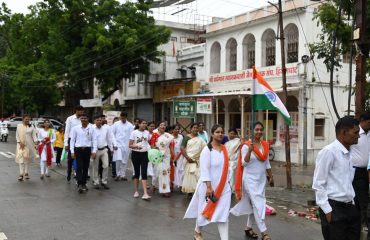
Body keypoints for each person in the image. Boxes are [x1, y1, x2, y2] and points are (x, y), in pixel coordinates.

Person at [312, 116, 361, 240]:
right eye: (355, 132)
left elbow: (347, 182)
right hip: (334, 209)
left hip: (350, 208)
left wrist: (353, 204)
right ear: (344, 132)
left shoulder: (350, 153)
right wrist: (328, 211)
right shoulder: (328, 152)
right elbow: (318, 184)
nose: (358, 136)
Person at [184, 124, 231, 240]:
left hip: (224, 188)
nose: (220, 134)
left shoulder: (225, 149)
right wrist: (209, 188)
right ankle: (198, 231)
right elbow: (204, 170)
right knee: (204, 210)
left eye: (222, 132)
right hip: (208, 187)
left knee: (223, 214)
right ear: (212, 134)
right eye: (217, 132)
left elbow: (227, 168)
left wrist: (229, 183)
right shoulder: (207, 150)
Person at [230, 121, 273, 240]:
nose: (259, 131)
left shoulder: (265, 145)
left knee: (254, 205)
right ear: (252, 131)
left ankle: (248, 227)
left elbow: (266, 162)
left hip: (261, 180)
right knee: (258, 204)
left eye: (260, 129)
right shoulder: (246, 145)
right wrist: (249, 150)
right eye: (256, 129)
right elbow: (244, 162)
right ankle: (264, 233)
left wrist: (271, 176)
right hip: (249, 180)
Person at [350, 112, 370, 231]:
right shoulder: (355, 134)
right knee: (359, 197)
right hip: (355, 170)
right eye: (369, 122)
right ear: (362, 120)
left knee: (364, 196)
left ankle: (362, 221)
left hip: (366, 170)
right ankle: (362, 222)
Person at [70, 114, 97, 193]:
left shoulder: (92, 129)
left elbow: (94, 140)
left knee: (86, 167)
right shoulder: (75, 128)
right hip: (78, 150)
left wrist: (94, 151)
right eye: (82, 118)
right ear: (80, 119)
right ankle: (79, 183)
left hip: (87, 150)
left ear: (88, 119)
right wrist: (72, 151)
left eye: (85, 118)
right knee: (79, 167)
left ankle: (84, 183)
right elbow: (72, 140)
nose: (84, 119)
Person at [181, 123, 207, 195]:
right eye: (194, 128)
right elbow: (182, 147)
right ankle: (189, 191)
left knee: (197, 175)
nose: (195, 129)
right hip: (189, 159)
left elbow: (205, 148)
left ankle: (196, 191)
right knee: (190, 175)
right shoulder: (187, 137)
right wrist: (187, 157)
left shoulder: (200, 138)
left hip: (198, 160)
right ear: (191, 129)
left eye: (197, 128)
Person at [129, 119, 151, 200]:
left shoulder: (147, 133)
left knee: (144, 172)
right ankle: (136, 191)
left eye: (145, 123)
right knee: (137, 172)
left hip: (145, 154)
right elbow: (130, 145)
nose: (144, 125)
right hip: (135, 154)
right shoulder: (134, 132)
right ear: (139, 124)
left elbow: (148, 143)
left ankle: (145, 193)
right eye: (143, 123)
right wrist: (136, 146)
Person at [151, 121, 174, 197]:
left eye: (164, 125)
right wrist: (158, 152)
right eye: (161, 125)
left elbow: (171, 146)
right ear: (158, 126)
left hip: (166, 156)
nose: (163, 126)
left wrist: (173, 156)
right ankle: (154, 185)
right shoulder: (154, 135)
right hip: (157, 155)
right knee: (156, 172)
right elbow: (152, 145)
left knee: (165, 172)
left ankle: (165, 190)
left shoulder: (168, 136)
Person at [92, 116, 115, 190]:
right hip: (95, 151)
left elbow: (109, 139)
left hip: (104, 149)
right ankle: (96, 182)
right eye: (97, 120)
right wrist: (92, 151)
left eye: (100, 120)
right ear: (95, 121)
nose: (99, 121)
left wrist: (111, 148)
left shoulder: (106, 128)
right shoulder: (92, 128)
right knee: (95, 167)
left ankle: (104, 182)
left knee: (106, 166)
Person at [112, 112, 134, 181]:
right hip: (118, 145)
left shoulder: (130, 125)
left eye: (124, 118)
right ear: (120, 117)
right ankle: (118, 174)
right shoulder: (116, 124)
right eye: (121, 118)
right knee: (118, 159)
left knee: (124, 161)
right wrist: (114, 144)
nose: (122, 119)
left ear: (126, 117)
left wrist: (131, 145)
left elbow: (132, 136)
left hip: (127, 146)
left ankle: (123, 175)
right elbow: (112, 134)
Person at [64, 105, 84, 182]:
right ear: (76, 111)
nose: (81, 113)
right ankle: (69, 172)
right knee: (70, 159)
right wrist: (66, 143)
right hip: (71, 140)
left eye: (82, 111)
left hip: (80, 141)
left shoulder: (83, 119)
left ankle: (77, 174)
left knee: (79, 158)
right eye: (80, 111)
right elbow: (67, 131)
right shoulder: (70, 119)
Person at [15, 114, 38, 181]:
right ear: (23, 119)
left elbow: (34, 136)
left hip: (29, 145)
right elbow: (17, 135)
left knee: (26, 159)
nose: (27, 120)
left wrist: (36, 142)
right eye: (26, 119)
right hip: (20, 145)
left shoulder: (31, 127)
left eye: (28, 119)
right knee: (21, 159)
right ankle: (21, 174)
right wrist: (19, 142)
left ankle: (26, 172)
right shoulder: (19, 126)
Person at [172, 124, 184, 189]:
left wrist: (178, 155)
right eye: (175, 129)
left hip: (180, 155)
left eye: (178, 129)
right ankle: (172, 184)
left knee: (180, 170)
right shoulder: (170, 137)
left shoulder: (181, 137)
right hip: (172, 155)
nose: (177, 130)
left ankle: (181, 185)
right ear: (172, 130)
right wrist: (174, 157)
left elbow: (182, 147)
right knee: (173, 170)